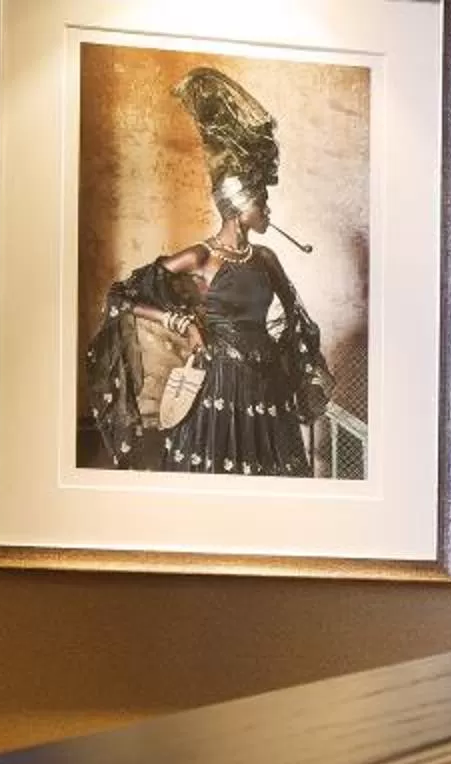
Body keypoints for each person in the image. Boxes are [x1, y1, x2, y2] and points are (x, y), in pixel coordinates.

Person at [85, 67, 332, 476]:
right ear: (238, 207)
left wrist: (291, 363)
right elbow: (124, 296)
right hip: (217, 380)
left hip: (267, 384)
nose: (268, 210)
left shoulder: (268, 258)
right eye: (262, 203)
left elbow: (297, 320)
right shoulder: (200, 258)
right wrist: (179, 321)